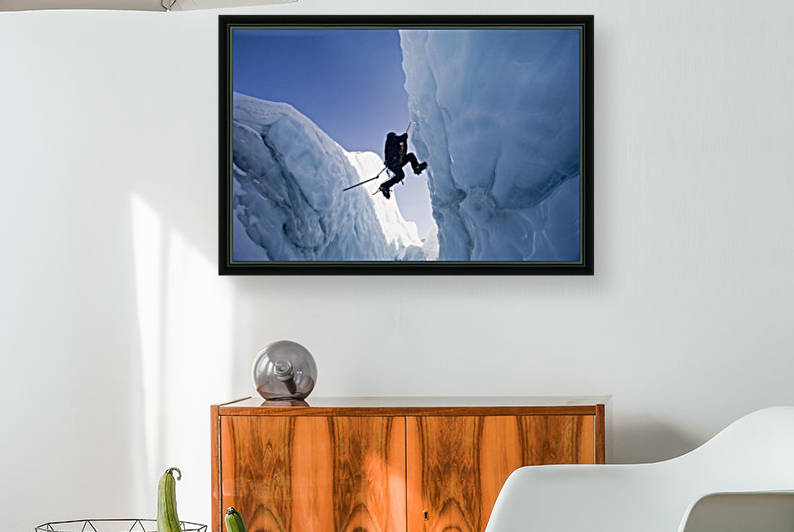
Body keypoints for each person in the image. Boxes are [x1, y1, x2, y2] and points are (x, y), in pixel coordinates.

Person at [378, 131, 427, 199]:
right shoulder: (391, 140)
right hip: (393, 163)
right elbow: (398, 139)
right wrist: (403, 137)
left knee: (401, 174)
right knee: (410, 156)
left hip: (396, 163)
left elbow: (404, 152)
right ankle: (416, 168)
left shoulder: (396, 145)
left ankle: (385, 186)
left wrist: (405, 140)